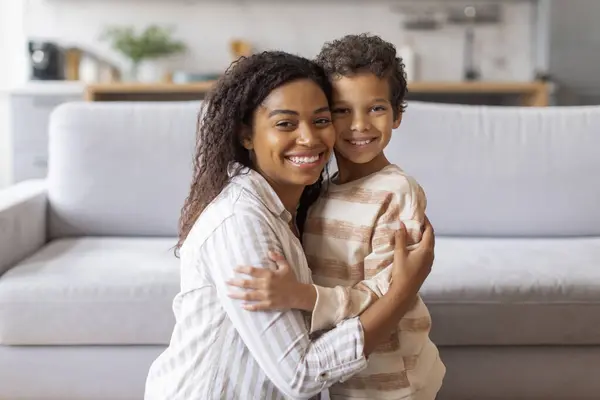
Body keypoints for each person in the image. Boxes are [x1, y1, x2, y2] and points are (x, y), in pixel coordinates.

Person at [144, 50, 436, 400]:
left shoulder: (298, 206)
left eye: (321, 120)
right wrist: (403, 292)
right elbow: (301, 376)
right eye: (285, 123)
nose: (309, 138)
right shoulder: (241, 221)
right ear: (246, 135)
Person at [226, 35, 445, 399]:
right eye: (341, 111)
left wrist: (302, 296)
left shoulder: (396, 192)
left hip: (395, 378)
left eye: (376, 109)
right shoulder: (320, 188)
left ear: (398, 115)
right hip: (347, 371)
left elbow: (387, 296)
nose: (358, 125)